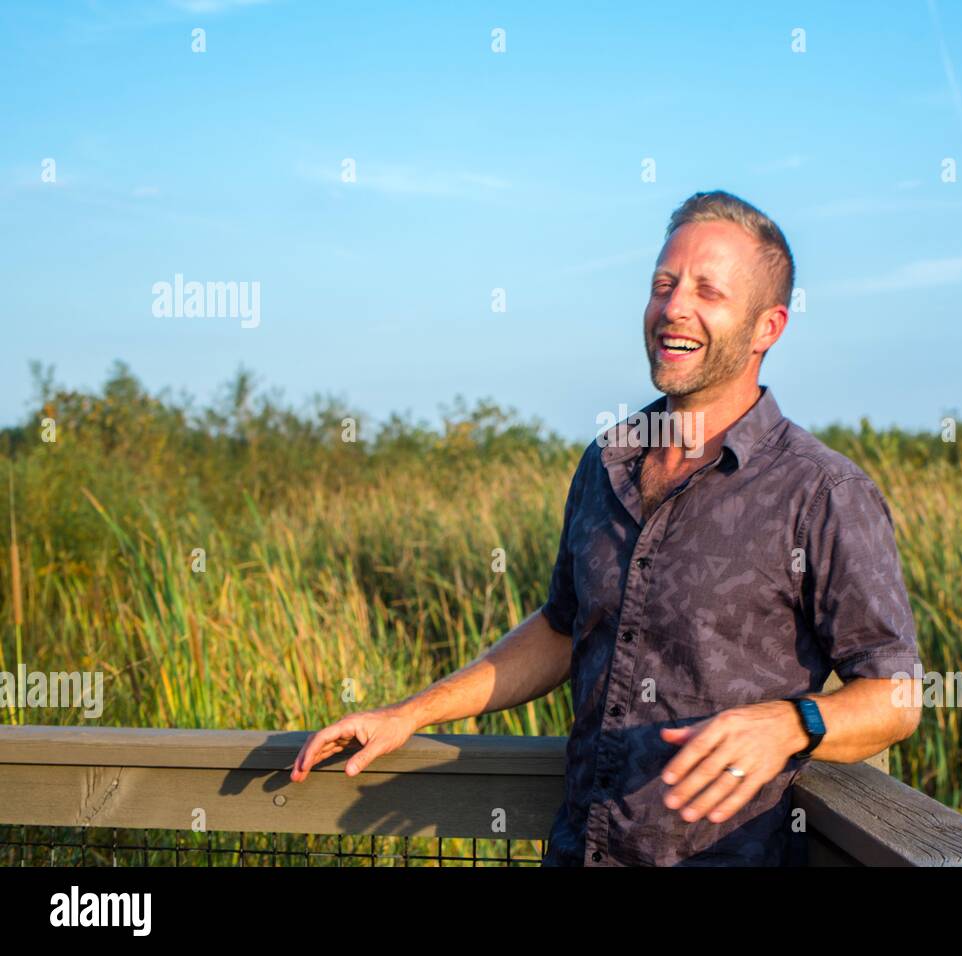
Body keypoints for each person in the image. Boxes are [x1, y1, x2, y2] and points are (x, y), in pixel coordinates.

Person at [290, 189, 924, 866]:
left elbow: (895, 695)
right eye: (663, 284)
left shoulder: (821, 490)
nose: (674, 307)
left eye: (708, 291)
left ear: (767, 327)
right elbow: (563, 629)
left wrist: (791, 723)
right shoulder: (607, 462)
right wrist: (408, 714)